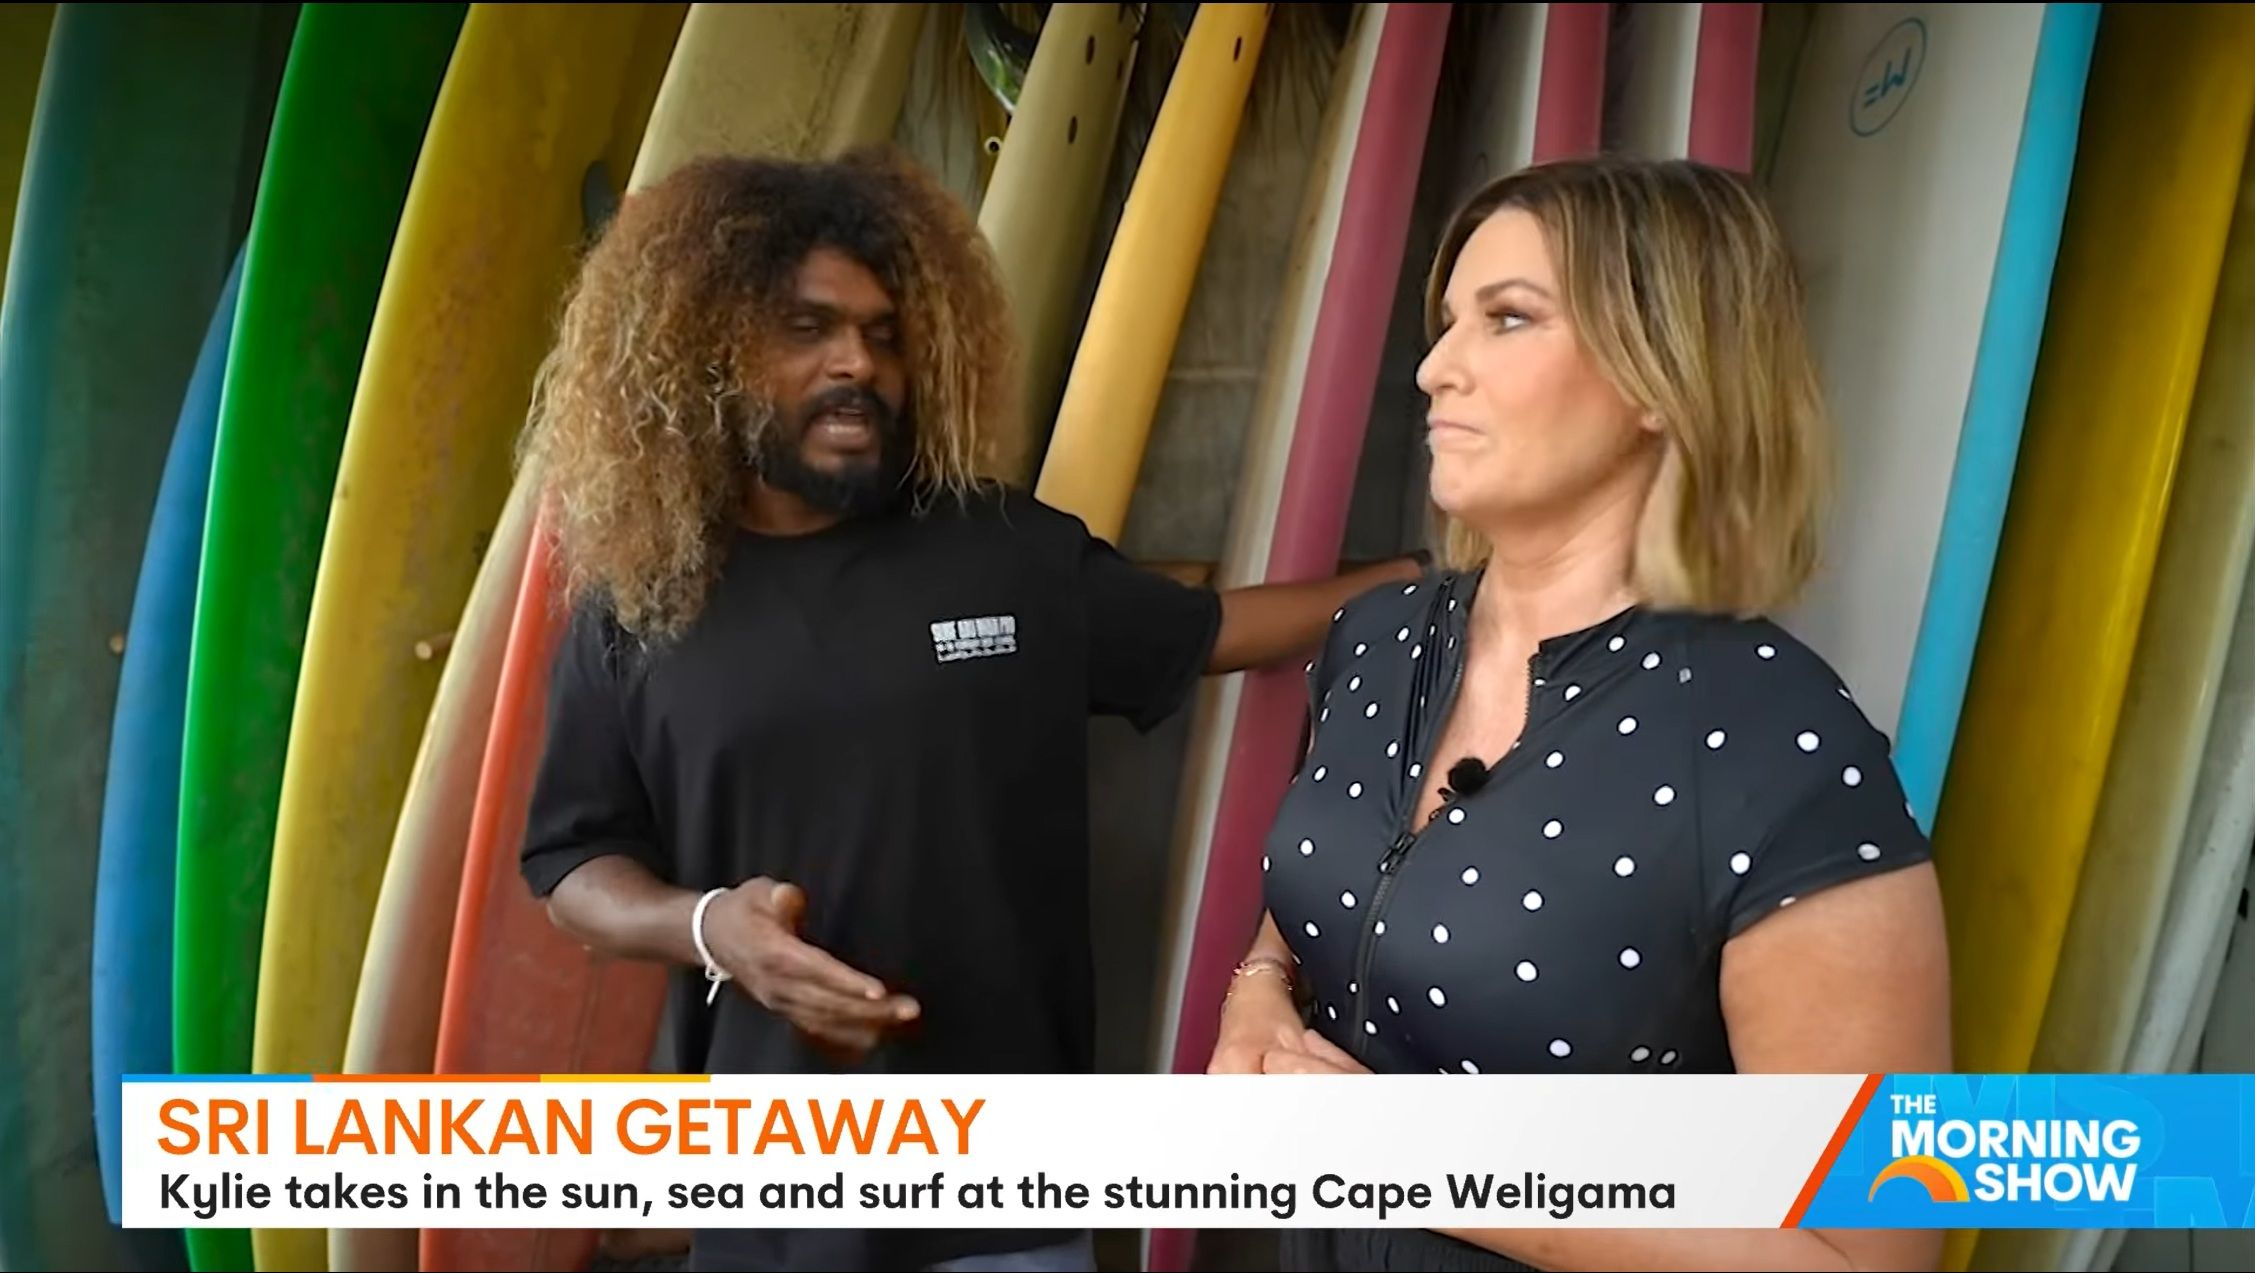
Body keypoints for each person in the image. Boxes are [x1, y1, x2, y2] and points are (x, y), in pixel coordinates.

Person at [513, 146, 1419, 1273]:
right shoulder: (641, 603)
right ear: (708, 349)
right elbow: (573, 861)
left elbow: (1213, 631)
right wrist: (709, 930)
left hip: (1010, 1203)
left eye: (883, 333)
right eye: (807, 329)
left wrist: (1429, 583)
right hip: (769, 1205)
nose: (858, 361)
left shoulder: (1002, 552)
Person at [1207, 155, 1953, 1272]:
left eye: (1506, 318)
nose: (1433, 367)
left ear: (1660, 373)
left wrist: (1404, 1157)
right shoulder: (1377, 639)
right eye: (1446, 322)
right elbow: (1342, 881)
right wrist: (1258, 993)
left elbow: (1863, 1252)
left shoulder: (1773, 741)